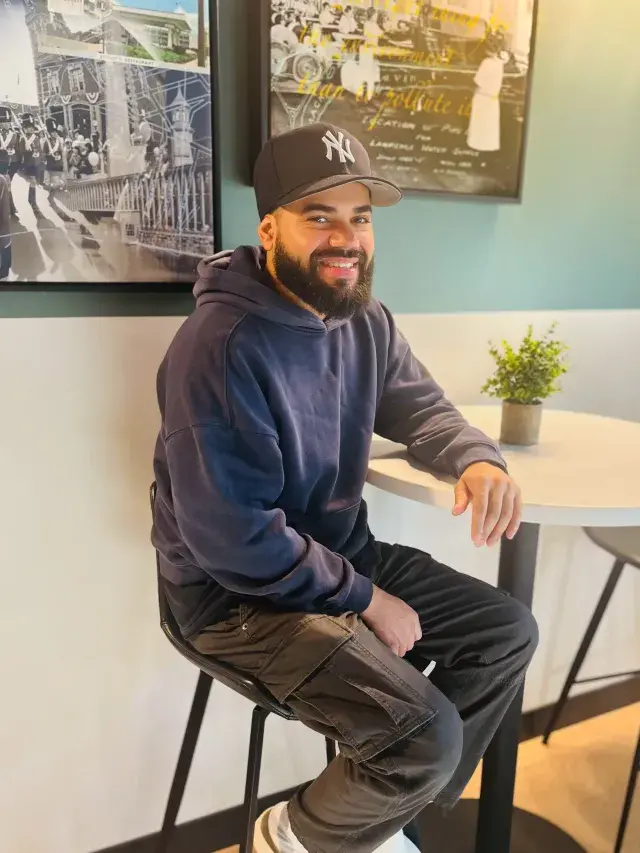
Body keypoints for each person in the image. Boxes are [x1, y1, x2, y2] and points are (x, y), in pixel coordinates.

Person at [151, 122, 538, 853]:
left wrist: (476, 459)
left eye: (359, 217)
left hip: (333, 557)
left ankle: (381, 816)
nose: (346, 237)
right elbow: (231, 536)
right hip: (232, 599)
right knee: (424, 732)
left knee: (504, 632)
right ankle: (290, 837)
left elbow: (420, 406)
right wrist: (365, 598)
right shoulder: (220, 347)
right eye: (318, 215)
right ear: (270, 228)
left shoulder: (364, 320)